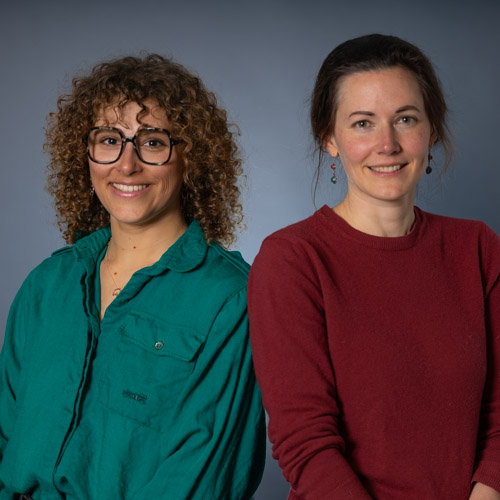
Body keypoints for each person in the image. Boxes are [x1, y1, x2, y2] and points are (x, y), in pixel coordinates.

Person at [0, 54, 265, 499]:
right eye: (109, 140)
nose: (126, 165)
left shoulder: (231, 300)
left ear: (190, 157)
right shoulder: (47, 286)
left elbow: (201, 481)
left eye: (153, 142)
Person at [248, 34, 500, 499]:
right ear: (329, 138)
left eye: (405, 119)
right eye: (363, 123)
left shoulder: (478, 248)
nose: (387, 144)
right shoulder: (292, 261)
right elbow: (306, 443)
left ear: (431, 130)